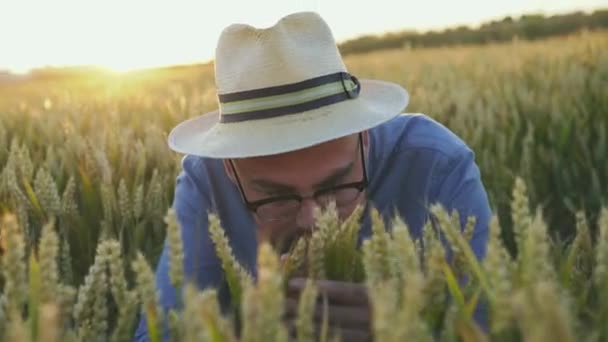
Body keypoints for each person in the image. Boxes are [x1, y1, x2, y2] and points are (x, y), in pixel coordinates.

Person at [133, 11, 491, 342]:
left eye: (336, 187)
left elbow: (492, 325)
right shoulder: (205, 180)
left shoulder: (435, 166)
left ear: (364, 139)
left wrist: (410, 326)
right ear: (229, 167)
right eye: (276, 197)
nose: (312, 220)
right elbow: (160, 331)